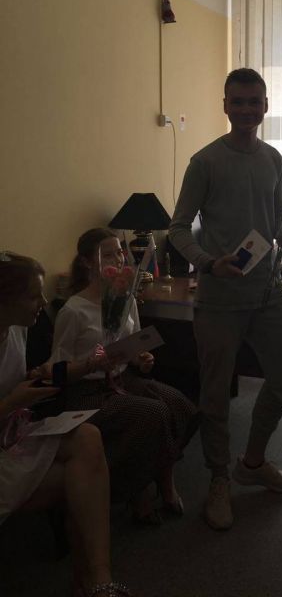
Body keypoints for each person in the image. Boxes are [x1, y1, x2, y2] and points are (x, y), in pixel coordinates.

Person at [169, 67, 282, 531]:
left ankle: (253, 463)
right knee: (215, 397)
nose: (246, 109)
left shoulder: (273, 158)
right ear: (225, 106)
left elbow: (274, 220)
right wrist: (208, 262)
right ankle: (219, 478)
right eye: (238, 102)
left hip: (267, 292)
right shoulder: (204, 162)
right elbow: (178, 228)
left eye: (254, 102)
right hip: (220, 299)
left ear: (265, 106)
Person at [0, 251, 137, 597]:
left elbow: (19, 380)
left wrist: (45, 376)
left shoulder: (17, 330)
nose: (43, 303)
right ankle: (90, 581)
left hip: (10, 432)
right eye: (33, 296)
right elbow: (10, 396)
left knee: (87, 437)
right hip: (6, 433)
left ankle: (99, 579)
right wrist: (13, 401)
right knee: (83, 479)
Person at [50, 228, 199, 524]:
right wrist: (92, 364)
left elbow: (133, 345)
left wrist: (141, 358)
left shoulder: (125, 299)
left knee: (180, 404)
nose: (118, 259)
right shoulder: (74, 310)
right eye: (107, 254)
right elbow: (57, 370)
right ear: (87, 262)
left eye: (119, 252)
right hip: (87, 391)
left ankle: (162, 479)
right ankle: (137, 490)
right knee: (152, 414)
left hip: (123, 380)